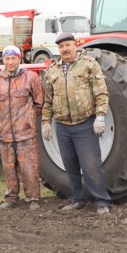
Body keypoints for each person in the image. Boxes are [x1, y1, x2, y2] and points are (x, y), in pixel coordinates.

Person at [41, 32, 112, 215]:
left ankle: (101, 200)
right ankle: (77, 199)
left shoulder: (89, 65)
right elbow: (48, 100)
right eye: (61, 47)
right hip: (63, 127)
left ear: (75, 45)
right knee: (70, 166)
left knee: (91, 166)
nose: (65, 49)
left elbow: (101, 93)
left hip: (85, 125)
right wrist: (46, 122)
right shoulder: (53, 70)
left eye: (67, 45)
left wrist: (101, 116)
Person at [0, 45, 44, 210]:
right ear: (3, 59)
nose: (10, 62)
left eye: (14, 58)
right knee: (8, 167)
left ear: (19, 59)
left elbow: (39, 102)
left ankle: (33, 197)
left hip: (25, 133)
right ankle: (12, 197)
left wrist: (28, 120)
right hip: (5, 133)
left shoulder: (31, 77)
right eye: (7, 58)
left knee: (29, 167)